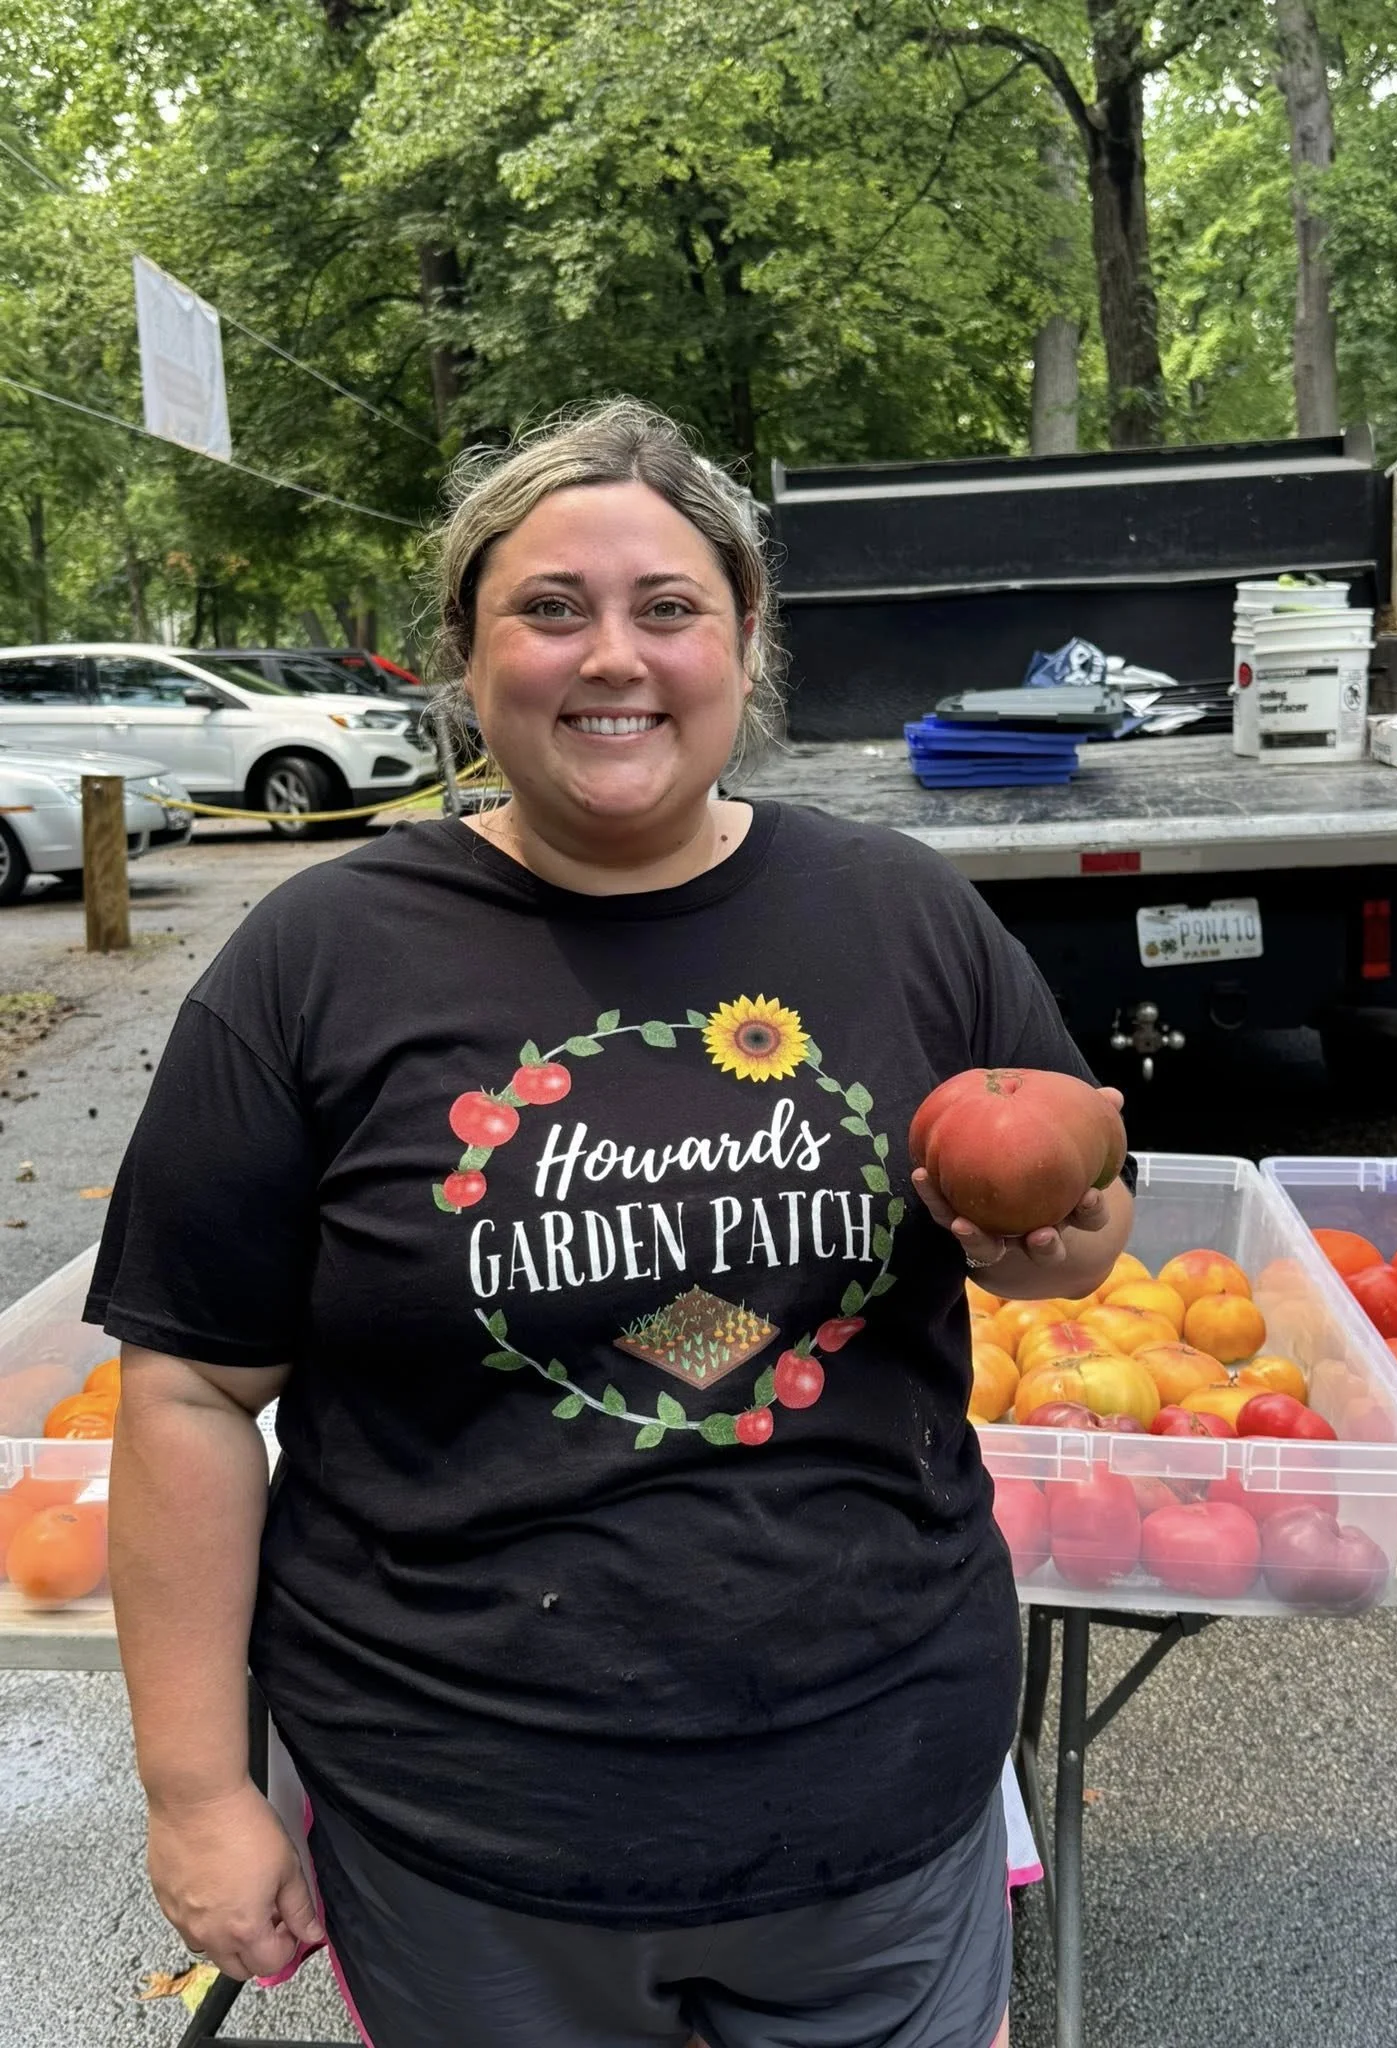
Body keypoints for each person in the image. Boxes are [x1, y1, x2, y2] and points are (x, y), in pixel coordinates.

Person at [88, 398, 1134, 2048]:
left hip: (872, 1786)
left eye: (667, 608)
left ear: (743, 640)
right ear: (466, 648)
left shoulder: (900, 913)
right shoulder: (317, 960)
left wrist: (1048, 1240)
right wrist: (196, 1787)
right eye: (551, 608)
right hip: (470, 1828)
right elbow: (191, 1393)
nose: (612, 658)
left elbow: (1083, 1222)